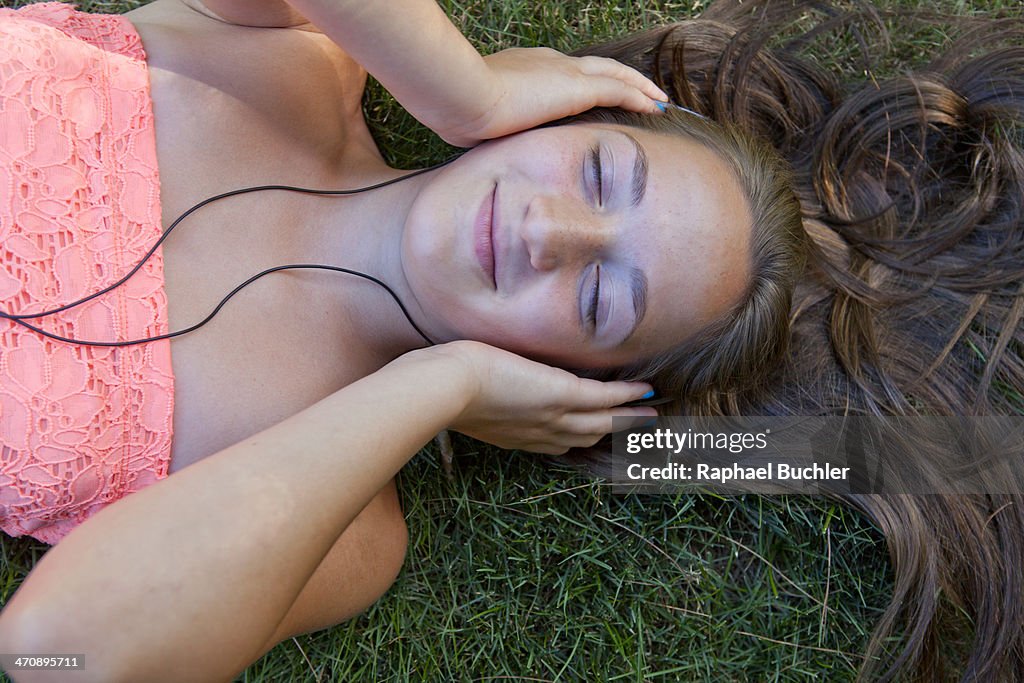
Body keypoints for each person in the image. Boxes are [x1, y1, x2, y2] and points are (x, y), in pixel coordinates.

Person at [0, 0, 1020, 681]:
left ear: (569, 380)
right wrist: (463, 88)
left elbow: (52, 651)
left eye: (600, 299)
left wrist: (433, 388)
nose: (549, 232)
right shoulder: (293, 51)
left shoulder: (349, 526)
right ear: (565, 111)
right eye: (598, 173)